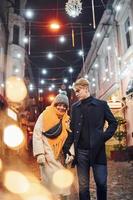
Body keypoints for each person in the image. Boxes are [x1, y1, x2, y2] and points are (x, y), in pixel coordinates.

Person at [63, 78, 118, 200]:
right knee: (83, 187)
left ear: (86, 88)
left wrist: (102, 137)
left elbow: (113, 123)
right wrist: (66, 148)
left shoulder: (101, 105)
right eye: (75, 91)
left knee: (101, 183)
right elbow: (72, 130)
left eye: (78, 91)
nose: (76, 94)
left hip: (98, 150)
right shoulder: (75, 107)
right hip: (81, 152)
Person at [33, 91, 71, 200]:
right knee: (50, 188)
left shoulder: (67, 119)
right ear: (55, 104)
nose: (61, 107)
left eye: (64, 106)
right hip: (47, 157)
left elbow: (70, 137)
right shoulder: (44, 115)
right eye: (59, 104)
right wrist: (40, 153)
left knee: (63, 186)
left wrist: (71, 153)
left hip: (62, 158)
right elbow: (37, 134)